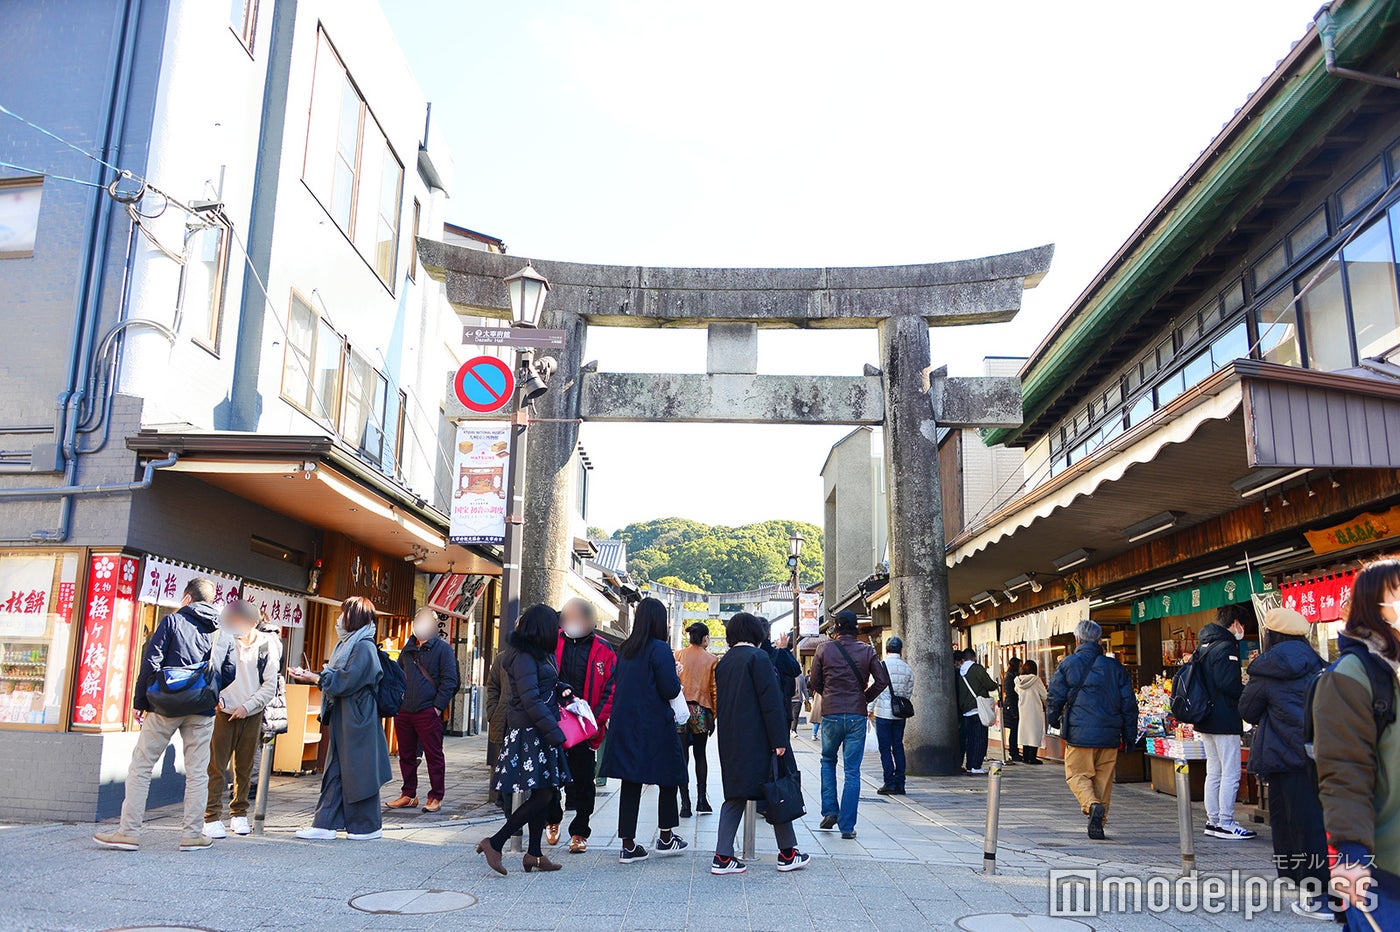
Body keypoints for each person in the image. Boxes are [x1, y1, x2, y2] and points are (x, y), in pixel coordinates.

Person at [95, 578, 237, 852]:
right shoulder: (223, 633)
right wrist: (208, 691)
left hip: (165, 706)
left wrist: (141, 700)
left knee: (142, 766)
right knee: (197, 773)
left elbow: (151, 662)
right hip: (202, 710)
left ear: (186, 598)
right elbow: (229, 672)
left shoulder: (172, 622)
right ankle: (193, 834)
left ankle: (129, 832)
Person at [1314, 558, 1400, 928]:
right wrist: (1351, 857)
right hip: (1385, 872)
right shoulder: (1351, 676)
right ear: (1372, 605)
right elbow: (1345, 771)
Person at [1239, 607, 1334, 921]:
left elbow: (1248, 711)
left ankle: (1318, 896)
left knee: (1295, 827)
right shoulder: (1321, 666)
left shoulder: (1265, 670)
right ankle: (1330, 889)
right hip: (1321, 756)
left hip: (1284, 759)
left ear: (1271, 635)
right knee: (1320, 824)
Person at [711, 612, 811, 875]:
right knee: (773, 790)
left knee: (735, 795)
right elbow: (771, 703)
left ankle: (722, 856)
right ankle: (788, 853)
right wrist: (779, 739)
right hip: (758, 737)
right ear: (756, 633)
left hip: (730, 737)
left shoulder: (724, 662)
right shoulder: (759, 658)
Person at [476, 604, 571, 875]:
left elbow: (543, 687)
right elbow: (530, 699)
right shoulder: (525, 657)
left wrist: (562, 688)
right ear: (543, 628)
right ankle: (495, 842)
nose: (559, 631)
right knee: (542, 795)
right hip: (532, 732)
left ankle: (535, 854)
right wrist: (554, 732)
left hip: (538, 729)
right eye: (555, 626)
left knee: (545, 791)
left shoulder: (537, 654)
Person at [288, 597, 392, 841]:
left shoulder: (363, 646)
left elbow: (347, 679)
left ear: (353, 617)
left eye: (343, 613)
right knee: (338, 769)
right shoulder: (349, 643)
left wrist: (315, 678)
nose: (339, 618)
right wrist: (316, 676)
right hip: (346, 715)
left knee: (359, 771)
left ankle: (367, 826)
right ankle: (325, 824)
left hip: (358, 716)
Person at [598, 597, 689, 862]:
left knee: (631, 781)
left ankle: (628, 845)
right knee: (670, 776)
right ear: (660, 622)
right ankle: (666, 836)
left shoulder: (626, 648)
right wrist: (675, 672)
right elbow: (669, 688)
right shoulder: (659, 649)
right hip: (655, 724)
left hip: (627, 724)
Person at [1047, 619, 1137, 840]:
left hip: (1080, 734)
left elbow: (1055, 697)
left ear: (1078, 639)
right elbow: (1129, 705)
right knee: (1103, 781)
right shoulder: (1116, 668)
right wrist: (1129, 735)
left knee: (1076, 774)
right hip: (1109, 735)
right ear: (1099, 640)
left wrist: (1053, 719)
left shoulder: (1068, 664)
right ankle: (1099, 823)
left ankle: (1092, 805)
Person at [203, 599, 281, 839]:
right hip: (222, 712)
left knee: (244, 768)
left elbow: (270, 684)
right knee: (216, 766)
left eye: (238, 621)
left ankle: (238, 814)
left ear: (252, 623)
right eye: (231, 620)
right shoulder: (221, 638)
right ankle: (211, 816)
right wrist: (213, 697)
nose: (233, 625)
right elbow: (210, 670)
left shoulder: (266, 645)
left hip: (251, 712)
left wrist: (248, 707)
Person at [809, 610, 889, 839]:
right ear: (855, 628)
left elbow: (814, 682)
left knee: (827, 761)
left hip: (832, 713)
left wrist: (829, 695)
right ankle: (847, 826)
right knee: (852, 771)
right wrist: (864, 697)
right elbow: (881, 680)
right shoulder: (866, 650)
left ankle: (829, 811)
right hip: (856, 714)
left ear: (835, 628)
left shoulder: (824, 649)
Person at [546, 598, 616, 853]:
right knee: (551, 776)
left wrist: (594, 722)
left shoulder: (604, 650)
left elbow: (611, 689)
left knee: (585, 780)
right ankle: (552, 818)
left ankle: (580, 831)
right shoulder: (552, 642)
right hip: (554, 721)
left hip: (586, 726)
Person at [387, 608, 460, 814]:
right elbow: (398, 676)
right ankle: (408, 793)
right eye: (418, 619)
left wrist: (437, 707)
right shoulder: (408, 649)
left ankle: (436, 795)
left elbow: (450, 680)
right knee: (406, 754)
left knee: (433, 754)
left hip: (427, 710)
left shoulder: (443, 650)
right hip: (404, 711)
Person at [1196, 605, 1256, 840]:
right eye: (1243, 625)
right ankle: (1226, 822)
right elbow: (1228, 684)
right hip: (1224, 717)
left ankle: (1213, 821)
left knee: (1214, 771)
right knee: (1230, 772)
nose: (1243, 631)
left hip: (1206, 718)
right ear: (1236, 623)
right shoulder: (1226, 646)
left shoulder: (1204, 645)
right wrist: (1247, 692)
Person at [675, 621, 718, 818]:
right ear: (704, 638)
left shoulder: (678, 655)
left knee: (682, 757)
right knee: (700, 755)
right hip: (701, 710)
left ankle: (685, 803)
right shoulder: (711, 659)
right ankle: (702, 800)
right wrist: (714, 715)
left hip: (681, 710)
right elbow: (714, 690)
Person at [872, 636, 913, 795]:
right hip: (899, 714)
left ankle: (889, 782)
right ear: (900, 650)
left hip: (883, 713)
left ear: (887, 649)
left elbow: (875, 690)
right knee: (898, 746)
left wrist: (868, 709)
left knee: (885, 748)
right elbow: (908, 690)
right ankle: (901, 783)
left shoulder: (880, 667)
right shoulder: (907, 668)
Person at [956, 648, 999, 774]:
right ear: (974, 657)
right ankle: (976, 765)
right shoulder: (977, 669)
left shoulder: (960, 672)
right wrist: (996, 684)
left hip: (966, 711)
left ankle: (970, 765)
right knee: (980, 738)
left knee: (970, 740)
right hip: (978, 709)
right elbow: (989, 685)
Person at [760, 619, 803, 733]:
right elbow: (796, 670)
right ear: (769, 634)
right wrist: (784, 650)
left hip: (755, 713)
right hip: (780, 710)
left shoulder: (745, 656)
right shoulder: (778, 654)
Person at [484, 649, 513, 813]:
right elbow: (493, 685)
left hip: (530, 721)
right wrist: (493, 713)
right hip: (505, 718)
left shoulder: (541, 655)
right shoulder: (503, 658)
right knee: (505, 761)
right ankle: (504, 800)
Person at [1015, 659, 1048, 764]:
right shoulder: (1036, 680)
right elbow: (1044, 695)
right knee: (1034, 732)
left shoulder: (1018, 680)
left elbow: (1016, 691)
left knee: (1025, 732)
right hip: (1034, 710)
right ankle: (1032, 757)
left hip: (1023, 709)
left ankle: (1025, 757)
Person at [1002, 657, 1023, 763]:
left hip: (1012, 706)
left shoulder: (1011, 675)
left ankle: (1014, 751)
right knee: (1014, 730)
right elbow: (1010, 694)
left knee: (1014, 731)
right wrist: (1014, 711)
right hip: (1012, 707)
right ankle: (1013, 752)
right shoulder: (1010, 677)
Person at [793, 670, 811, 735]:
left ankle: (793, 730)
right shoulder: (788, 675)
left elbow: (804, 688)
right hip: (789, 700)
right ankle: (790, 729)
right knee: (789, 716)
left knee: (795, 715)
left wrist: (807, 697)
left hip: (798, 699)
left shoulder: (801, 677)